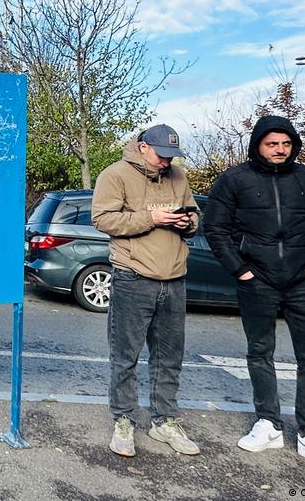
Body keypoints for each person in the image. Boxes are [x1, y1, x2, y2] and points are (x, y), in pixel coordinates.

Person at [203, 115, 305, 472]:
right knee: (259, 353)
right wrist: (242, 271)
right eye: (272, 144)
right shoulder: (234, 180)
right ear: (258, 145)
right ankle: (268, 423)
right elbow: (215, 229)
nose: (280, 149)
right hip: (258, 282)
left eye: (286, 143)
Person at [91, 124, 200, 458]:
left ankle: (164, 421)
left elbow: (195, 213)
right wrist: (153, 218)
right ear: (142, 147)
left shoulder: (178, 176)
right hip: (133, 277)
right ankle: (123, 421)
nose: (167, 162)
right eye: (161, 155)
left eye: (172, 156)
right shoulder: (115, 175)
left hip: (175, 278)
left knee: (169, 358)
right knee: (125, 357)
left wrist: (188, 222)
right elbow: (102, 219)